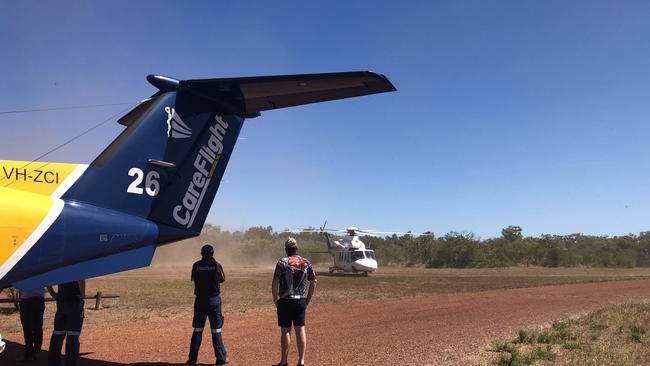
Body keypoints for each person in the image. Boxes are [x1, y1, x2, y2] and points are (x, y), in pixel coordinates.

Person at [272, 238, 317, 366]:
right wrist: (307, 298)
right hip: (300, 301)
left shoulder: (282, 262)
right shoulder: (306, 262)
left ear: (286, 249)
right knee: (300, 329)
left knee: (285, 330)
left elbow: (275, 282)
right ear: (297, 248)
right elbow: (313, 281)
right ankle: (301, 361)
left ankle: (284, 361)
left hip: (285, 301)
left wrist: (276, 300)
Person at [187, 244, 229, 365]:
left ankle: (192, 359)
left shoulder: (196, 266)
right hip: (214, 301)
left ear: (201, 254)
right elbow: (222, 279)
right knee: (216, 330)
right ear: (212, 254)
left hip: (200, 301)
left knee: (198, 329)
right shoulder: (217, 265)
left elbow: (193, 279)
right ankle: (221, 358)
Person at [47, 280, 85, 366]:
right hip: (75, 303)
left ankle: (53, 362)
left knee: (58, 335)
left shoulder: (58, 267)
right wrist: (82, 297)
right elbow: (80, 279)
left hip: (61, 302)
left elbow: (47, 278)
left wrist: (52, 292)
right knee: (73, 337)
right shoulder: (75, 266)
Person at [16, 287, 53, 362]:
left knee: (27, 328)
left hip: (26, 300)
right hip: (39, 299)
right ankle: (36, 351)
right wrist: (52, 293)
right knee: (38, 327)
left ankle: (29, 354)